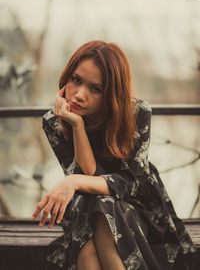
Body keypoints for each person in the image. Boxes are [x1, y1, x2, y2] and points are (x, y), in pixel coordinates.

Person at [32, 40, 196, 270]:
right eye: (76, 80)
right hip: (87, 207)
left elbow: (128, 183)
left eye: (95, 89)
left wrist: (74, 181)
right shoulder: (55, 123)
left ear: (110, 94)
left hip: (139, 208)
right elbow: (87, 174)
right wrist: (77, 127)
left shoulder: (136, 113)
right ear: (66, 77)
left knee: (98, 219)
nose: (79, 95)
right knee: (95, 215)